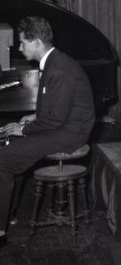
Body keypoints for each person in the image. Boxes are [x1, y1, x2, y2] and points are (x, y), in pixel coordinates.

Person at [0, 16, 95, 247]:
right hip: (64, 125)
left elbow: (55, 119)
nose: (19, 48)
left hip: (70, 133)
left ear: (36, 42)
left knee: (2, 159)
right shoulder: (53, 61)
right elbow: (54, 105)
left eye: (23, 43)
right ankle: (9, 213)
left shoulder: (58, 68)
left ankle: (0, 229)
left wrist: (24, 129)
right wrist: (33, 117)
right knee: (11, 146)